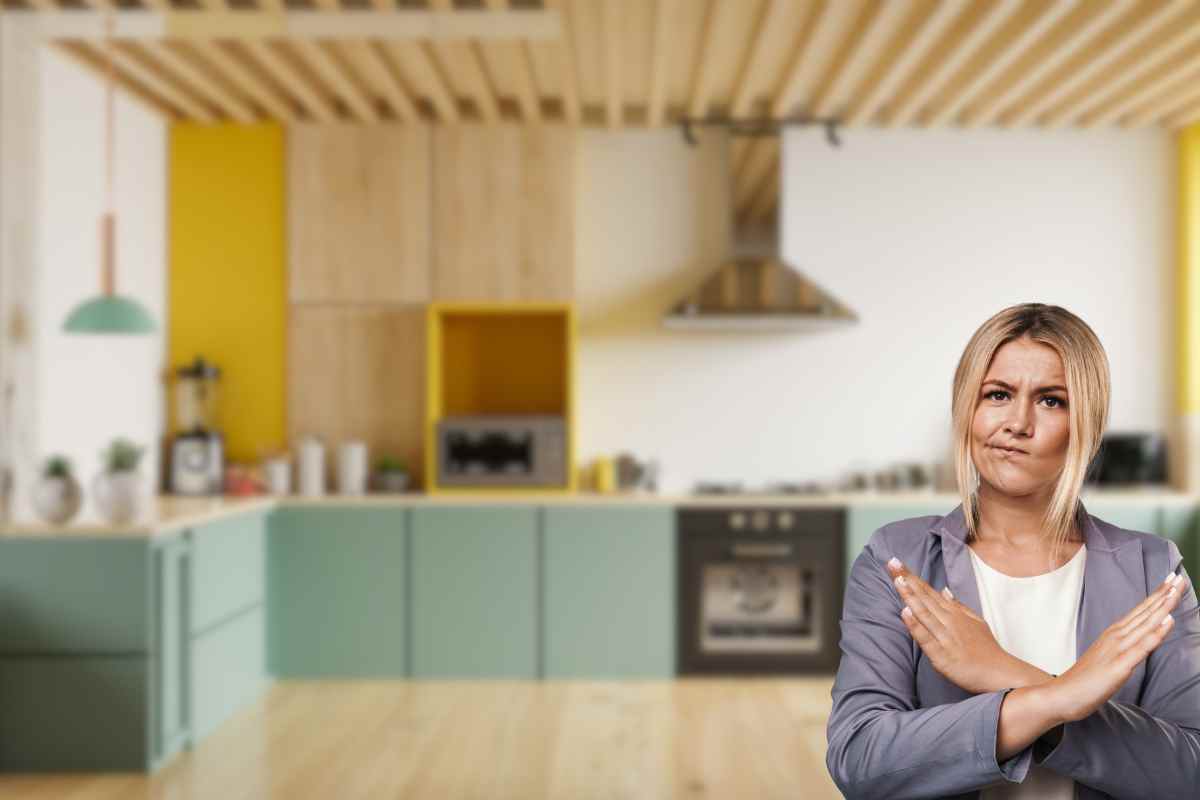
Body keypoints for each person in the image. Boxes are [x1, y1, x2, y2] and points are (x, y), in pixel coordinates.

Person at [824, 303, 1200, 799]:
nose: (1017, 423)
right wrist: (1058, 697)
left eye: (1051, 401)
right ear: (968, 408)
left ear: (1086, 422)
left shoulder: (1153, 568)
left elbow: (1189, 773)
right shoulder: (897, 558)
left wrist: (1002, 672)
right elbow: (860, 760)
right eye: (998, 394)